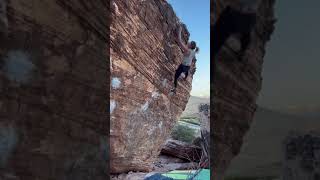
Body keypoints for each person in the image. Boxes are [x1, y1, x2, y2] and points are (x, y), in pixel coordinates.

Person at [170, 24, 199, 94]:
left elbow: (179, 41)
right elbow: (197, 51)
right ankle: (185, 77)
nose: (188, 42)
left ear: (191, 45)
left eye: (190, 43)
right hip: (187, 67)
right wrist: (197, 49)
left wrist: (180, 31)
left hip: (183, 66)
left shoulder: (187, 50)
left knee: (176, 76)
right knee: (186, 72)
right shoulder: (193, 52)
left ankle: (175, 89)